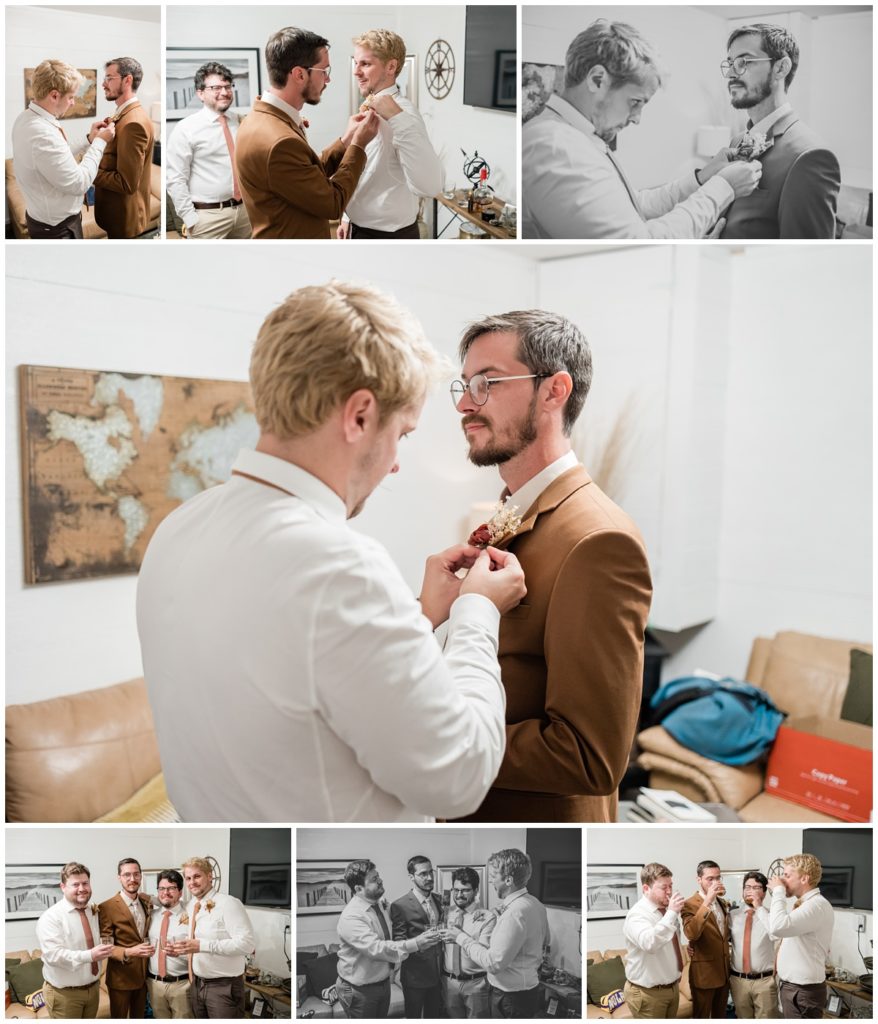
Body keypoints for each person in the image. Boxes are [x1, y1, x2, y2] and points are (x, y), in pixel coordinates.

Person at [137, 281, 525, 823]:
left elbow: (298, 680)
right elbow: (458, 778)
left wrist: (418, 618)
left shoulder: (178, 528)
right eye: (403, 434)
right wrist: (475, 613)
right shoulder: (341, 568)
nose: (394, 464)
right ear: (360, 415)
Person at [450, 310, 652, 822]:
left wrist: (437, 738)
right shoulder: (512, 510)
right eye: (464, 384)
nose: (464, 404)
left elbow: (589, 756)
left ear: (554, 390)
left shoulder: (598, 541)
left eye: (485, 383)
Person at [522, 20, 761, 239]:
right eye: (635, 102)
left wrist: (704, 177)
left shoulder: (577, 135)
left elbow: (635, 204)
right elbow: (638, 243)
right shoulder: (555, 146)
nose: (637, 119)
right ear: (597, 80)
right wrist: (722, 188)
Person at [234, 27, 378, 238]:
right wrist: (358, 145)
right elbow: (332, 203)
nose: (327, 80)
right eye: (324, 71)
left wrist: (346, 141)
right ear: (299, 74)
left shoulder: (259, 118)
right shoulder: (278, 141)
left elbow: (308, 175)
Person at [720, 23, 840, 238]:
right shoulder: (736, 142)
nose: (730, 73)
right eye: (729, 63)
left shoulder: (810, 156)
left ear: (781, 68)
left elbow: (805, 260)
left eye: (743, 62)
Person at [340, 29, 442, 239]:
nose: (356, 71)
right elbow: (362, 171)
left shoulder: (405, 115)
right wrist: (347, 217)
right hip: (356, 230)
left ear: (391, 67)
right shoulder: (365, 109)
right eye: (356, 63)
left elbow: (431, 186)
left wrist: (397, 118)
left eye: (365, 64)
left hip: (390, 238)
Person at [11, 59, 115, 238]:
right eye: (71, 97)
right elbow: (79, 183)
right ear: (54, 95)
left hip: (45, 219)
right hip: (56, 229)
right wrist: (100, 143)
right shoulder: (41, 133)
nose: (73, 103)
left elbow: (58, 154)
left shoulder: (26, 118)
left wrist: (89, 139)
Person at [443, 849, 548, 1019]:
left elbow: (493, 964)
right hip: (524, 989)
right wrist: (498, 914)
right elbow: (544, 940)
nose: (490, 880)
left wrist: (460, 937)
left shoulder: (514, 913)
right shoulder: (535, 904)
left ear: (508, 880)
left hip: (511, 996)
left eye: (493, 876)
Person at [336, 860, 442, 1019]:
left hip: (383, 984)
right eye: (373, 879)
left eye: (378, 876)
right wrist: (417, 943)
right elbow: (377, 949)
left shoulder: (379, 904)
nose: (380, 880)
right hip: (360, 989)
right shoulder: (351, 917)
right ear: (358, 889)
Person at [165, 61, 252, 239]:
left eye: (228, 86)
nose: (224, 92)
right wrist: (190, 219)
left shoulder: (242, 122)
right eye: (216, 87)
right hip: (208, 218)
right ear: (200, 93)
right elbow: (175, 179)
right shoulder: (186, 129)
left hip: (246, 214)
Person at [165, 857, 254, 1019]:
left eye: (197, 876)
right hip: (197, 984)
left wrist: (201, 945)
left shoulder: (229, 903)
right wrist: (180, 951)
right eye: (188, 878)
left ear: (209, 876)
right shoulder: (192, 905)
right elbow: (197, 946)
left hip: (224, 987)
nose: (192, 882)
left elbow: (247, 944)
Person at [35, 862, 114, 1018]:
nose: (82, 888)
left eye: (85, 883)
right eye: (75, 884)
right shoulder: (50, 918)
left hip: (93, 990)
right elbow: (53, 956)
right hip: (65, 995)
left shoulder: (93, 911)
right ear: (63, 887)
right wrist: (90, 955)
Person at [91, 57, 155, 238]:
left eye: (109, 78)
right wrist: (95, 140)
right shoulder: (122, 114)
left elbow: (126, 183)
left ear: (127, 80)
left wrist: (87, 171)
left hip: (124, 218)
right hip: (115, 214)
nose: (103, 84)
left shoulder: (133, 123)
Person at [766, 854, 834, 1019]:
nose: (782, 880)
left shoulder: (815, 906)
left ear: (804, 878)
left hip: (802, 991)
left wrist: (778, 891)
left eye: (787, 875)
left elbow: (778, 927)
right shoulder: (807, 904)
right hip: (795, 988)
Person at [622, 863, 685, 1019]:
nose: (669, 891)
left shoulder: (666, 911)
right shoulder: (637, 915)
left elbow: (671, 943)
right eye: (664, 888)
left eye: (671, 885)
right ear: (646, 889)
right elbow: (650, 943)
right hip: (648, 993)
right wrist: (671, 913)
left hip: (672, 988)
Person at [98, 857, 153, 1018]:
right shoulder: (106, 907)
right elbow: (106, 947)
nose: (132, 879)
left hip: (144, 976)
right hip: (121, 979)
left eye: (136, 874)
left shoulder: (146, 902)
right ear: (119, 877)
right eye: (127, 875)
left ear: (141, 876)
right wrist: (130, 951)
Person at [390, 856, 445, 1018]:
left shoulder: (439, 899)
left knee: (434, 1017)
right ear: (411, 877)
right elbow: (399, 943)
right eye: (423, 874)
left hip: (439, 973)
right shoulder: (400, 905)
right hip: (415, 977)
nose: (429, 878)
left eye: (430, 872)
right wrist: (420, 944)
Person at [442, 867, 496, 1018]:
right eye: (456, 890)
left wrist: (460, 936)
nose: (459, 895)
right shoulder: (445, 914)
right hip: (449, 982)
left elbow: (484, 953)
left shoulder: (487, 917)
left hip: (476, 985)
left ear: (476, 890)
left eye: (465, 890)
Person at [681, 860, 731, 1018]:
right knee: (701, 1017)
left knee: (720, 1016)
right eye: (710, 879)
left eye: (718, 878)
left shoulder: (722, 902)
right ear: (699, 880)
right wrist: (707, 901)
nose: (715, 882)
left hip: (724, 971)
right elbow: (691, 933)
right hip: (704, 975)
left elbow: (723, 934)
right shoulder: (689, 904)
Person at [728, 871, 778, 1019]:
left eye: (756, 887)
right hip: (738, 981)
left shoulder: (772, 916)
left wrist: (758, 906)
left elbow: (775, 934)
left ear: (764, 892)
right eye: (747, 887)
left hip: (764, 981)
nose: (750, 891)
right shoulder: (732, 915)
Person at [146, 869, 193, 1018]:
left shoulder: (191, 916)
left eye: (171, 888)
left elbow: (198, 950)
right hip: (154, 984)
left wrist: (182, 953)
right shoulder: (151, 916)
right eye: (162, 888)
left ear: (180, 892)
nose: (166, 892)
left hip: (182, 985)